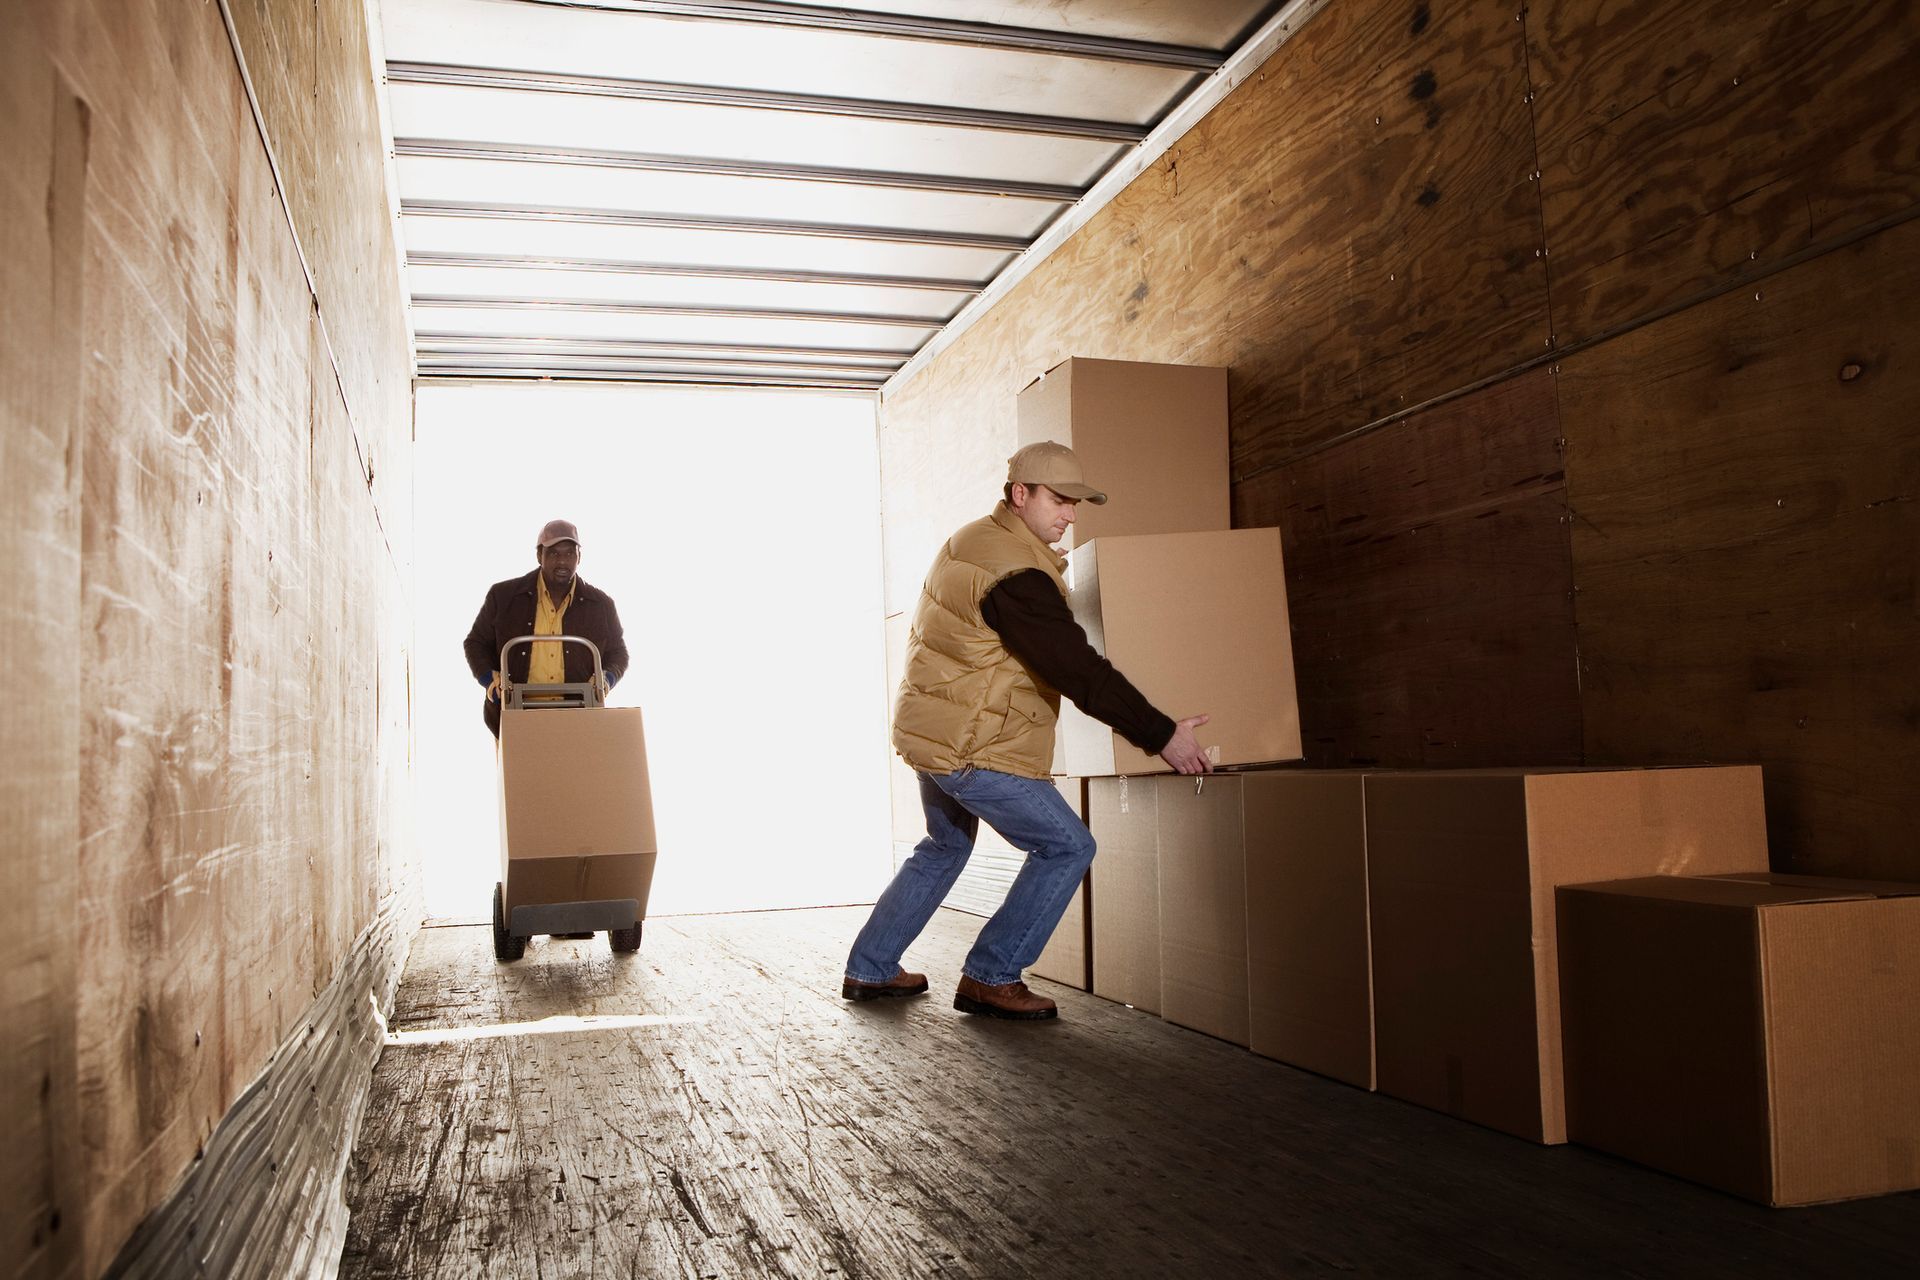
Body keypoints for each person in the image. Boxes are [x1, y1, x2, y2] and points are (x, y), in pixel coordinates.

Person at [844, 442, 1211, 1020]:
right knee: (1067, 845)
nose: (1070, 514)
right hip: (971, 747)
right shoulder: (1016, 574)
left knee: (944, 846)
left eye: (1077, 503)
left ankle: (871, 967)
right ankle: (991, 976)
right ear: (1022, 495)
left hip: (932, 732)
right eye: (1060, 500)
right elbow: (1077, 670)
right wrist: (1162, 734)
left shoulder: (974, 538)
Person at [463, 519, 630, 739]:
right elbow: (475, 643)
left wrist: (605, 679)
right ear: (539, 556)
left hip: (578, 720)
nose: (562, 561)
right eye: (553, 554)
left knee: (574, 774)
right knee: (520, 775)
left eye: (570, 554)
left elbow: (618, 653)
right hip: (515, 719)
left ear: (579, 557)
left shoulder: (601, 604)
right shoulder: (504, 596)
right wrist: (490, 679)